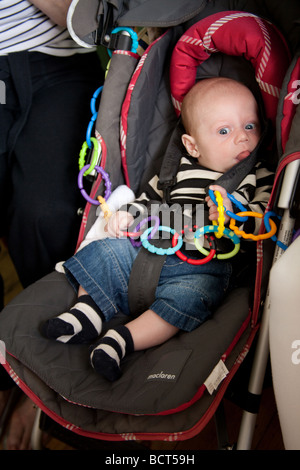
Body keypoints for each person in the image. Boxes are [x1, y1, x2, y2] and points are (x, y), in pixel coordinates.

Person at [43, 77, 274, 383]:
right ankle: (88, 311)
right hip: (150, 246)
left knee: (193, 298)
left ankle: (122, 340)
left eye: (250, 126)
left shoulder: (258, 176)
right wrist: (127, 215)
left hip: (203, 265)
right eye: (224, 130)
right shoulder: (175, 171)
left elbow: (265, 222)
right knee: (102, 252)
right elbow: (148, 200)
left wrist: (234, 217)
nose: (242, 138)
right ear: (192, 145)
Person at [0, 0, 104, 449]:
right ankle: (12, 369)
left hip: (56, 57)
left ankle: (43, 377)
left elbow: (95, 22)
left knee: (51, 213)